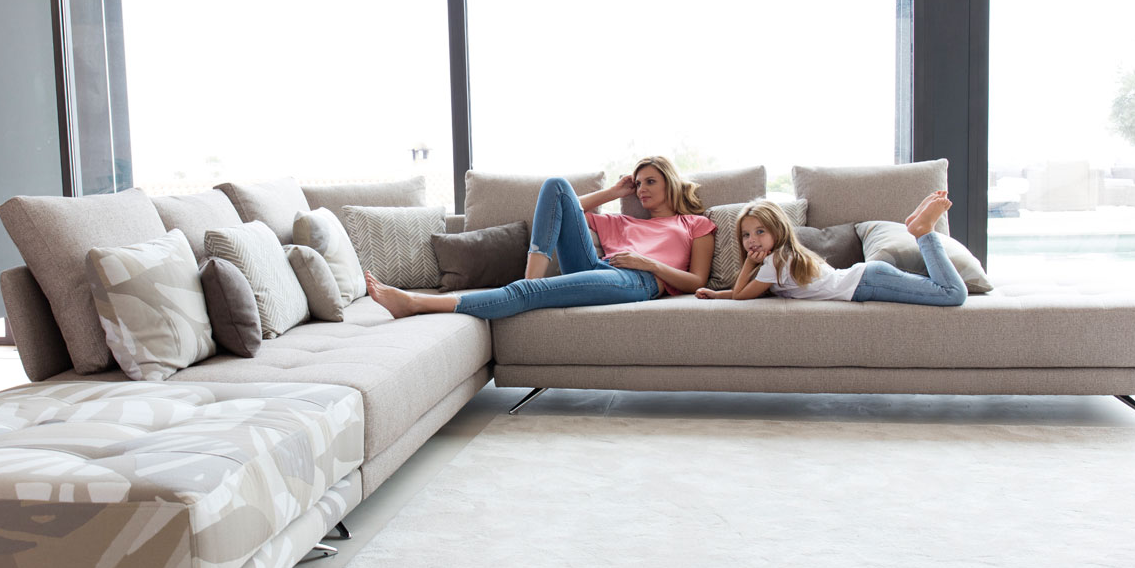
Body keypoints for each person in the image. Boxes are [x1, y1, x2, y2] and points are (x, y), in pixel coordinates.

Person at [365, 156, 716, 319]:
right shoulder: (621, 221)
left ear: (670, 182)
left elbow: (697, 281)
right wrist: (613, 192)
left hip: (638, 281)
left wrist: (647, 263)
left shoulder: (695, 224)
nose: (641, 189)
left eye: (650, 181)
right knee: (556, 185)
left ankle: (416, 303)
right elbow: (565, 207)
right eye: (637, 183)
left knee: (524, 293)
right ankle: (532, 281)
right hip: (598, 268)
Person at [695, 191, 967, 306]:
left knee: (952, 294)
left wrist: (748, 263)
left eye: (760, 231)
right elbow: (751, 292)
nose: (752, 240)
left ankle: (923, 232)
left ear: (777, 231)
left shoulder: (774, 262)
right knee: (940, 288)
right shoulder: (784, 258)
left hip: (866, 283)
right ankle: (919, 225)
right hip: (868, 278)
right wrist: (718, 294)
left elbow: (742, 296)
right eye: (745, 235)